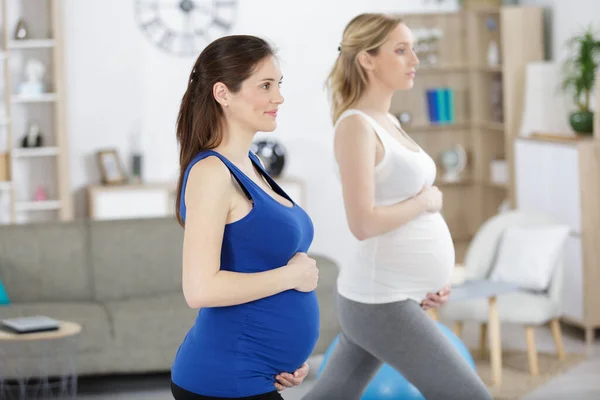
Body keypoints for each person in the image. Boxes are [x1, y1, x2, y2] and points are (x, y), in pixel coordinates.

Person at [302, 13, 493, 400]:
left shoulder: (386, 119)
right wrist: (425, 201)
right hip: (380, 299)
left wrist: (428, 282)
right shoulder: (355, 126)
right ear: (367, 59)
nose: (414, 60)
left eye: (413, 49)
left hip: (395, 295)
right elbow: (363, 222)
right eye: (401, 50)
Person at [170, 35, 319, 400]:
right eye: (265, 86)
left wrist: (288, 357)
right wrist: (292, 275)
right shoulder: (211, 173)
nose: (278, 97)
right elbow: (199, 289)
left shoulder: (250, 164)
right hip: (224, 377)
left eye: (278, 84)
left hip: (259, 375)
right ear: (223, 93)